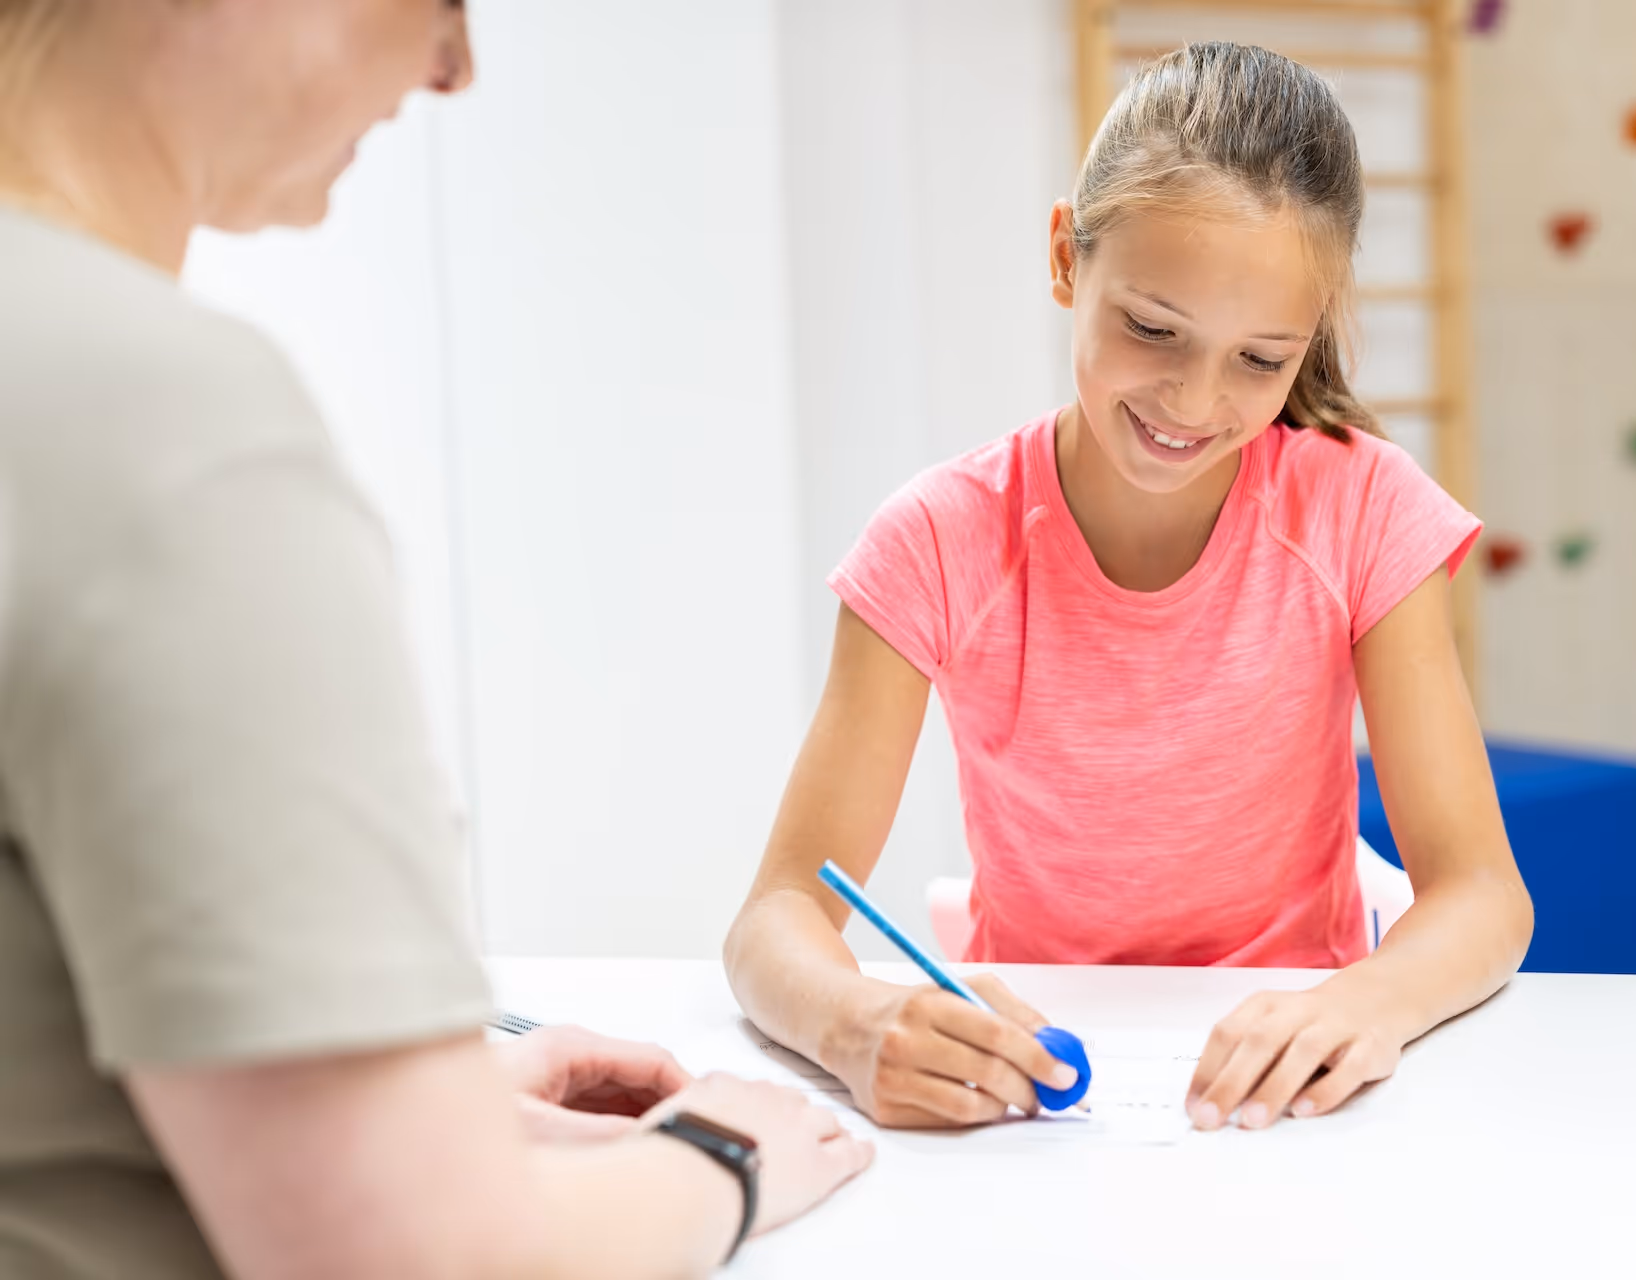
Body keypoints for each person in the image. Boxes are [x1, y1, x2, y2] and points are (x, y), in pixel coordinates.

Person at [0, 2, 869, 1276]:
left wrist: (396, 1117)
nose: (453, 68)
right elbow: (425, 1262)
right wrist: (721, 1161)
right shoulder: (163, 423)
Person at [726, 42, 1534, 1133]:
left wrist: (1367, 1000)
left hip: (1296, 1084)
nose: (1193, 402)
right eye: (1152, 329)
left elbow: (1484, 892)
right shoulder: (936, 539)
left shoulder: (1363, 510)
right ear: (1066, 257)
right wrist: (854, 1022)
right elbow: (778, 913)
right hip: (1034, 1082)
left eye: (1260, 359)